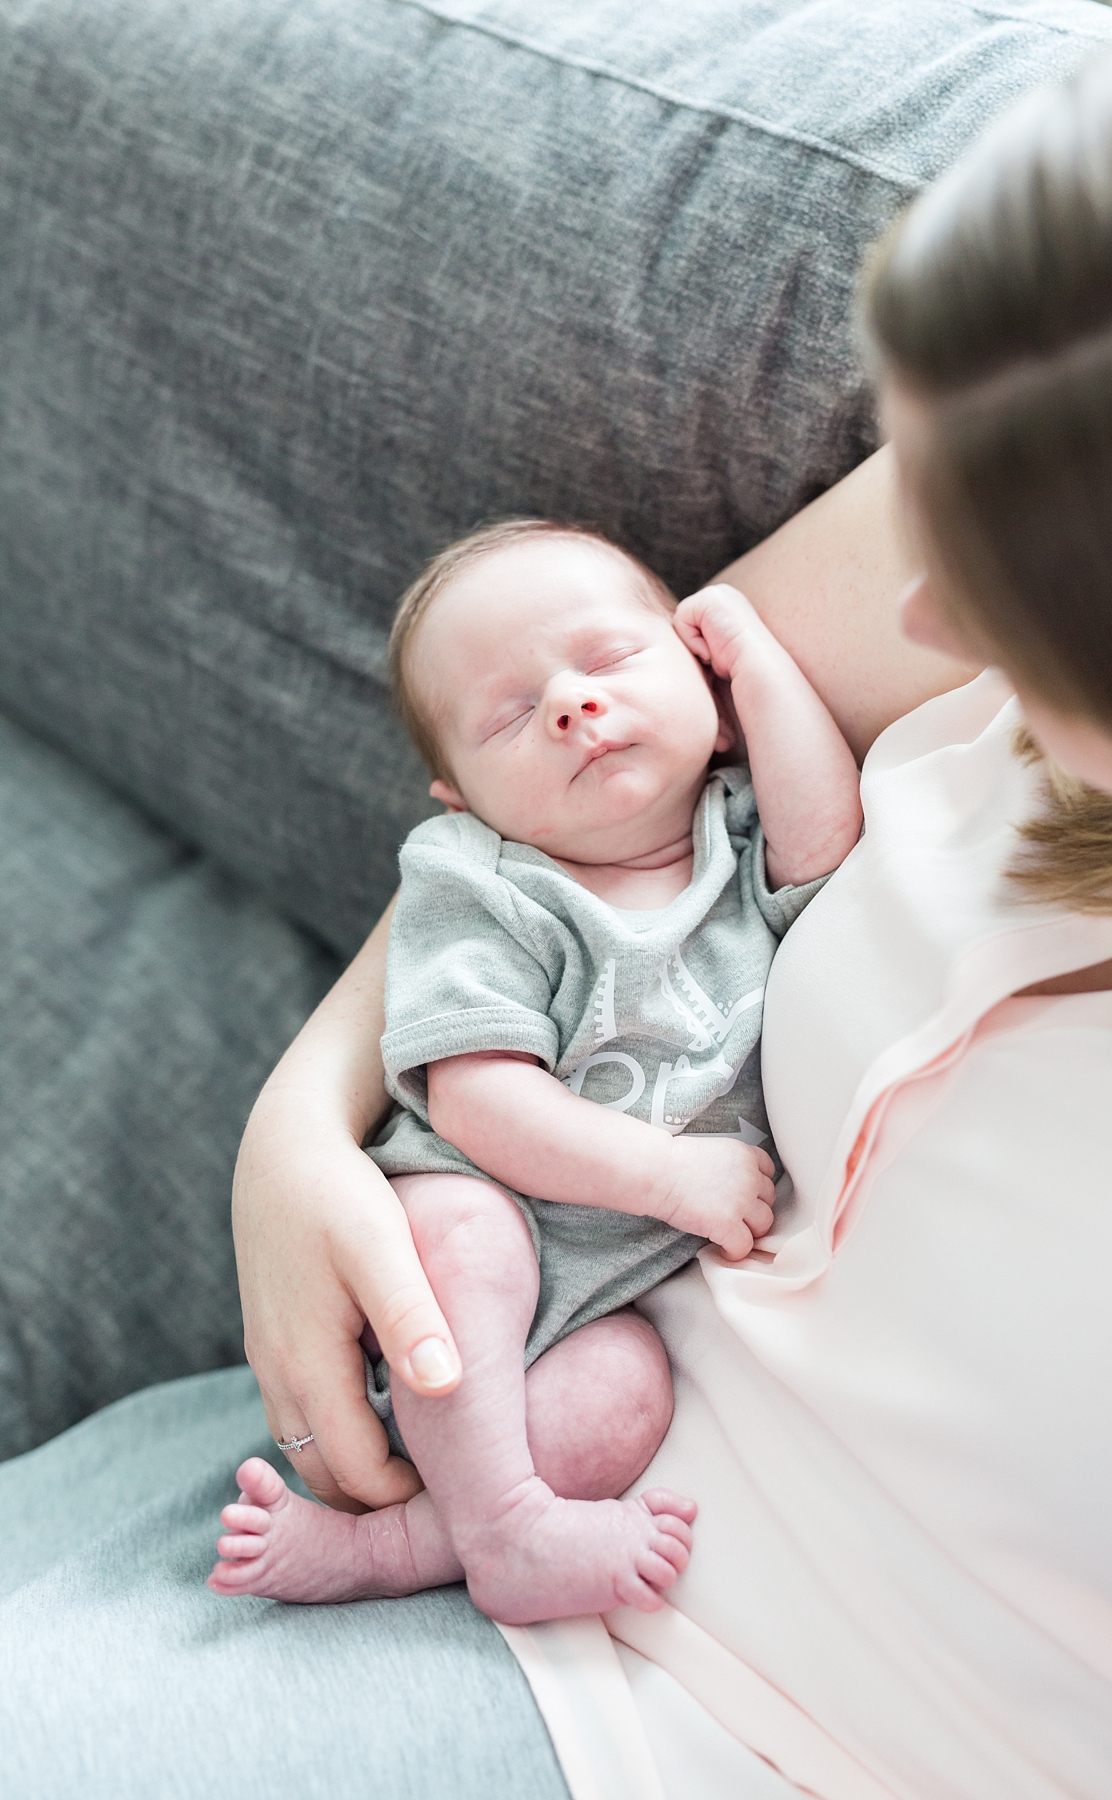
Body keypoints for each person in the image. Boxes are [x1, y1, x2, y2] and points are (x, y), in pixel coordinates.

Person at [224, 13, 1112, 1793]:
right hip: (509, 1428)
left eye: (1000, 591)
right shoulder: (1092, 393)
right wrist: (298, 1115)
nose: (920, 628)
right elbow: (567, 796)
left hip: (780, 1726)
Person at [207, 519, 862, 1621]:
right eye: (513, 716)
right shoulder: (487, 889)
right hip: (454, 1262)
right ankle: (505, 1520)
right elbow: (478, 1098)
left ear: (704, 695)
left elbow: (830, 839)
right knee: (469, 1231)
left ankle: (410, 1545)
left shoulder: (738, 833)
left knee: (628, 1392)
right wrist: (664, 1177)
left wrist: (757, 663)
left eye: (610, 662)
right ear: (459, 799)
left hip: (584, 1314)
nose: (571, 704)